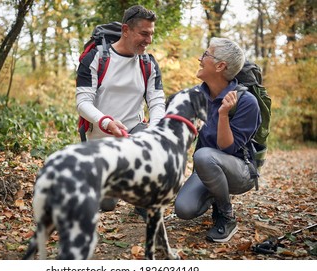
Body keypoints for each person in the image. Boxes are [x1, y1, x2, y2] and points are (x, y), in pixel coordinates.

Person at [75, 5, 166, 212]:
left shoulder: (148, 63)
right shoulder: (97, 58)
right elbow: (83, 103)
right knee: (106, 204)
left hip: (134, 131)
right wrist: (107, 122)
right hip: (102, 139)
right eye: (144, 33)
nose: (149, 40)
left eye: (151, 34)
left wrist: (155, 127)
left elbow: (157, 101)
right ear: (126, 30)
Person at [174, 38, 261, 242]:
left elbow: (227, 147)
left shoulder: (247, 102)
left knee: (203, 156)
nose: (200, 58)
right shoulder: (197, 96)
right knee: (184, 209)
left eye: (206, 55)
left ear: (221, 66)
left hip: (240, 171)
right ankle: (215, 193)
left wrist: (223, 115)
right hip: (208, 168)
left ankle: (226, 216)